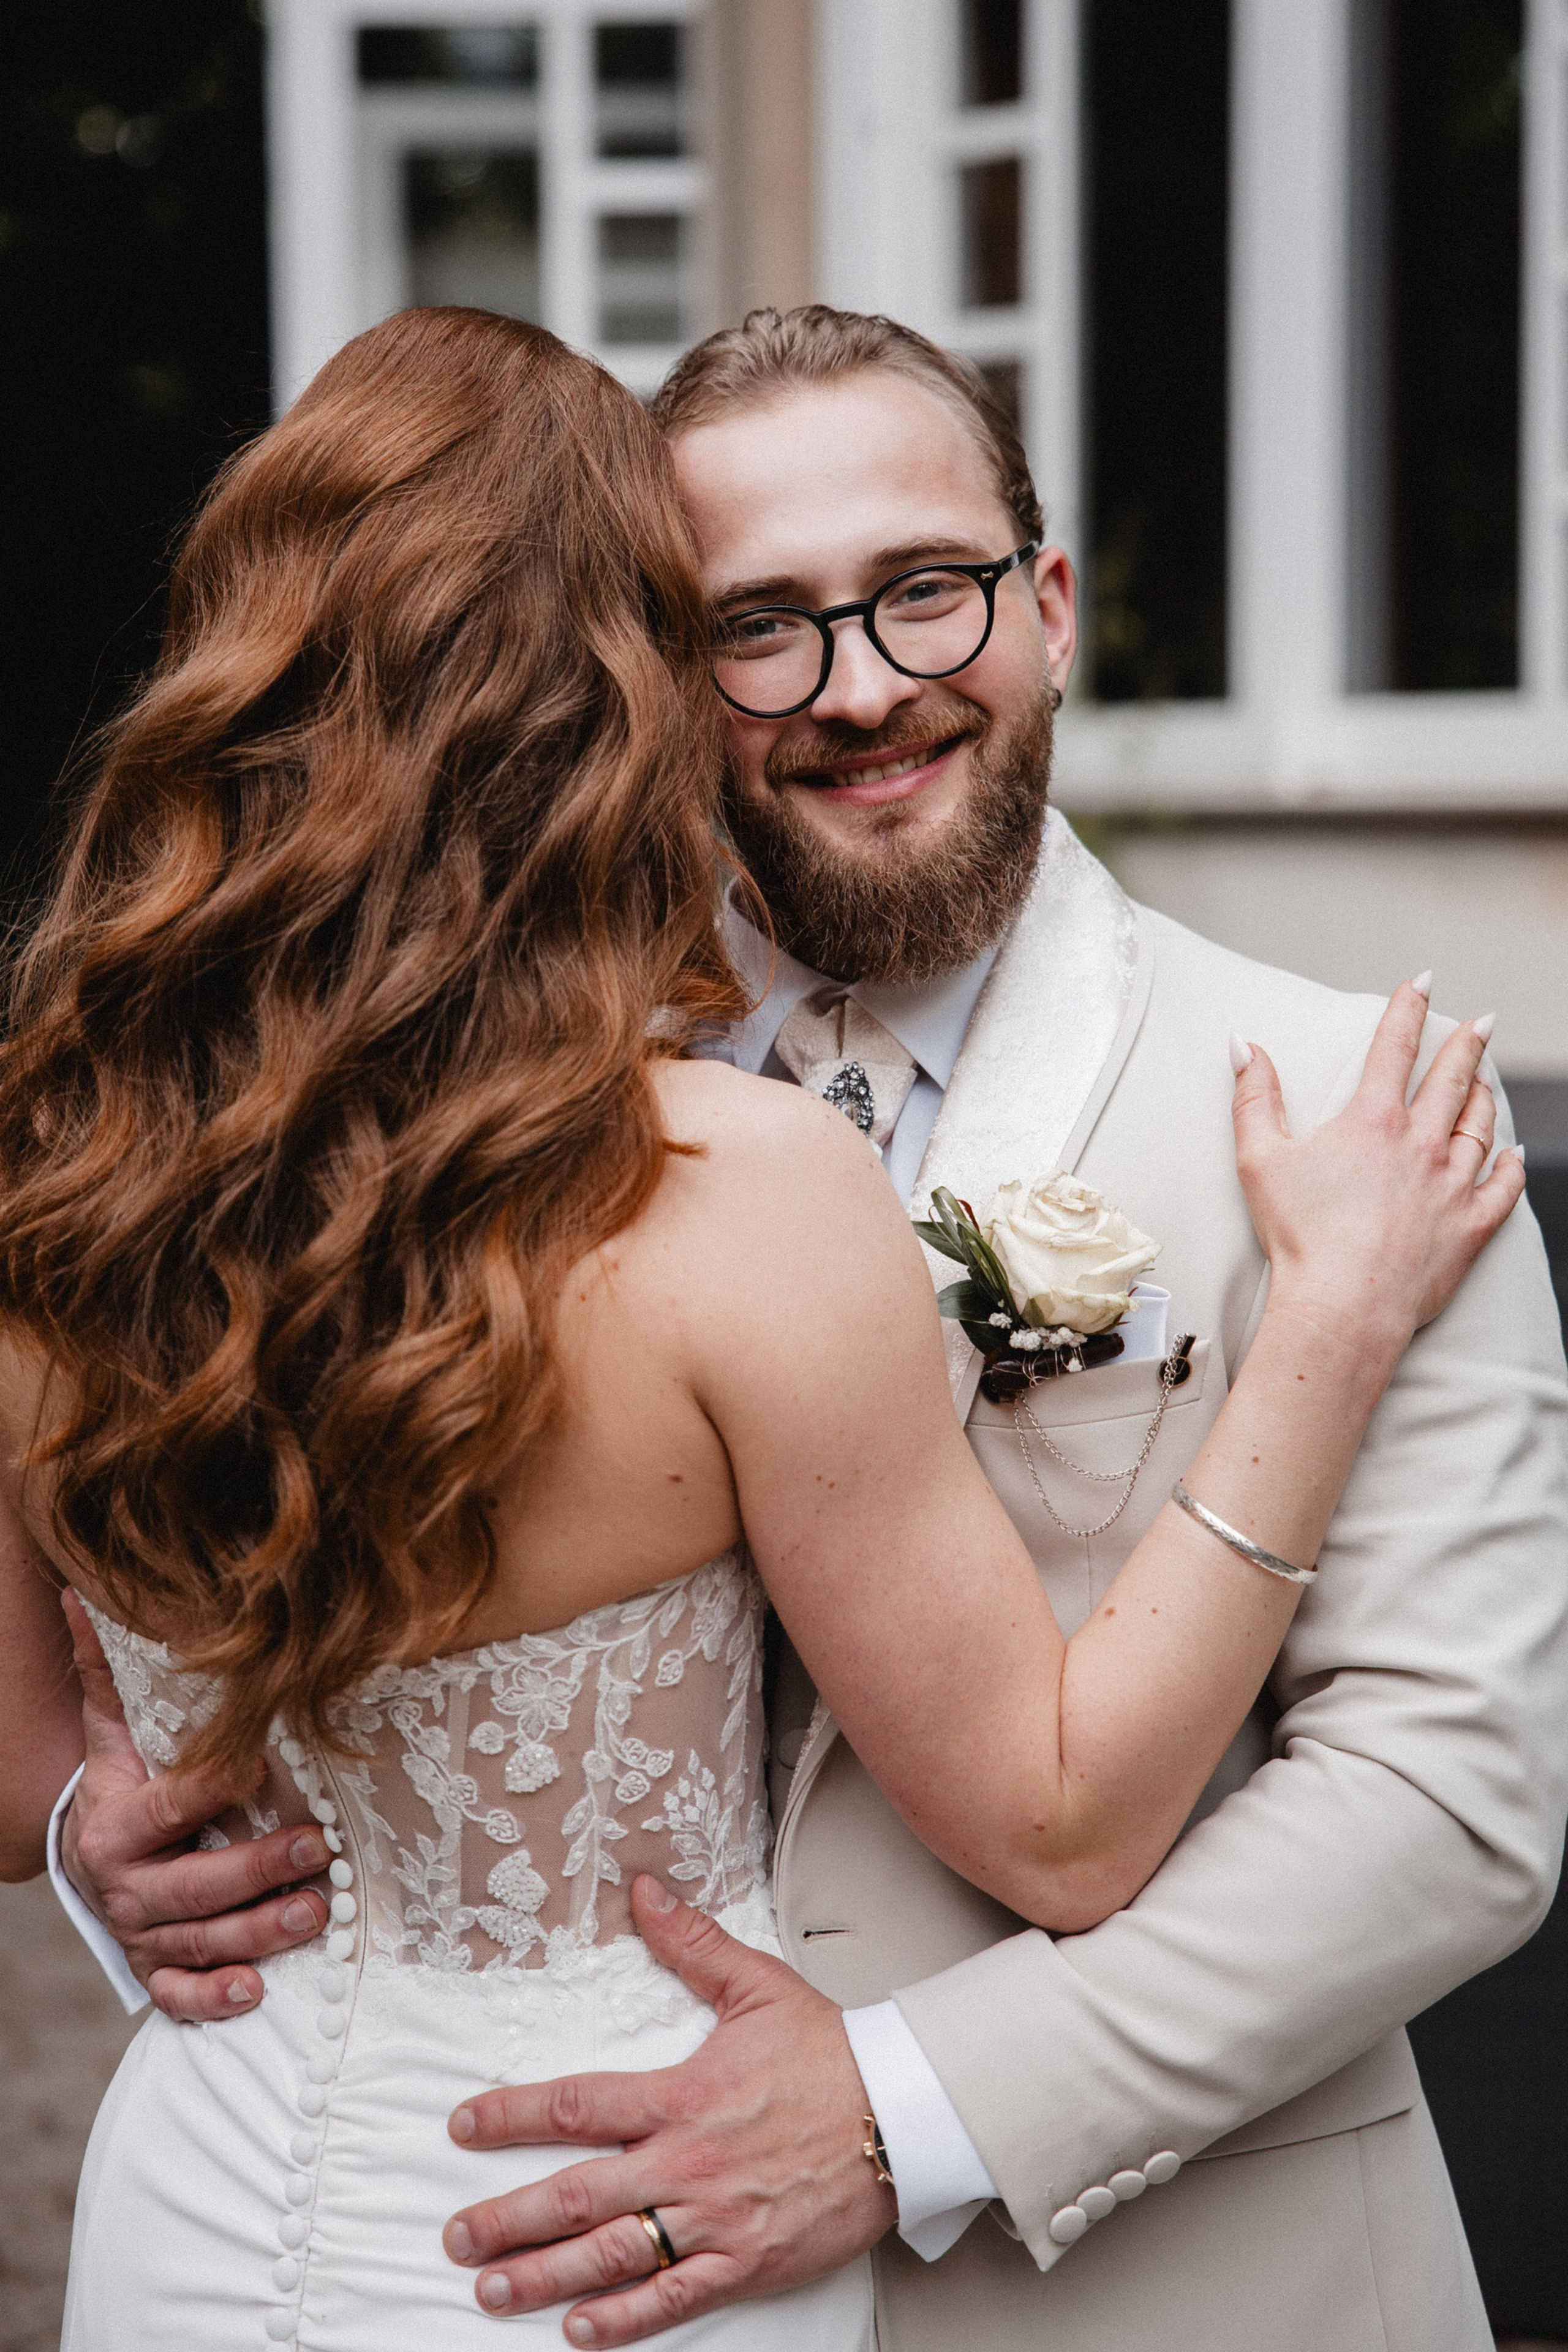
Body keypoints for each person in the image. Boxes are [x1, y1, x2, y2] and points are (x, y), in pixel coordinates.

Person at [30, 306, 1568, 2352]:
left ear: (1048, 607)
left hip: (1156, 2285)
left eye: (925, 595)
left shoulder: (1355, 1111)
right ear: (646, 675)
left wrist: (905, 2109)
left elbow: (1450, 1803)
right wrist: (103, 1822)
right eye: (759, 626)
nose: (862, 693)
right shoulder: (446, 1119)